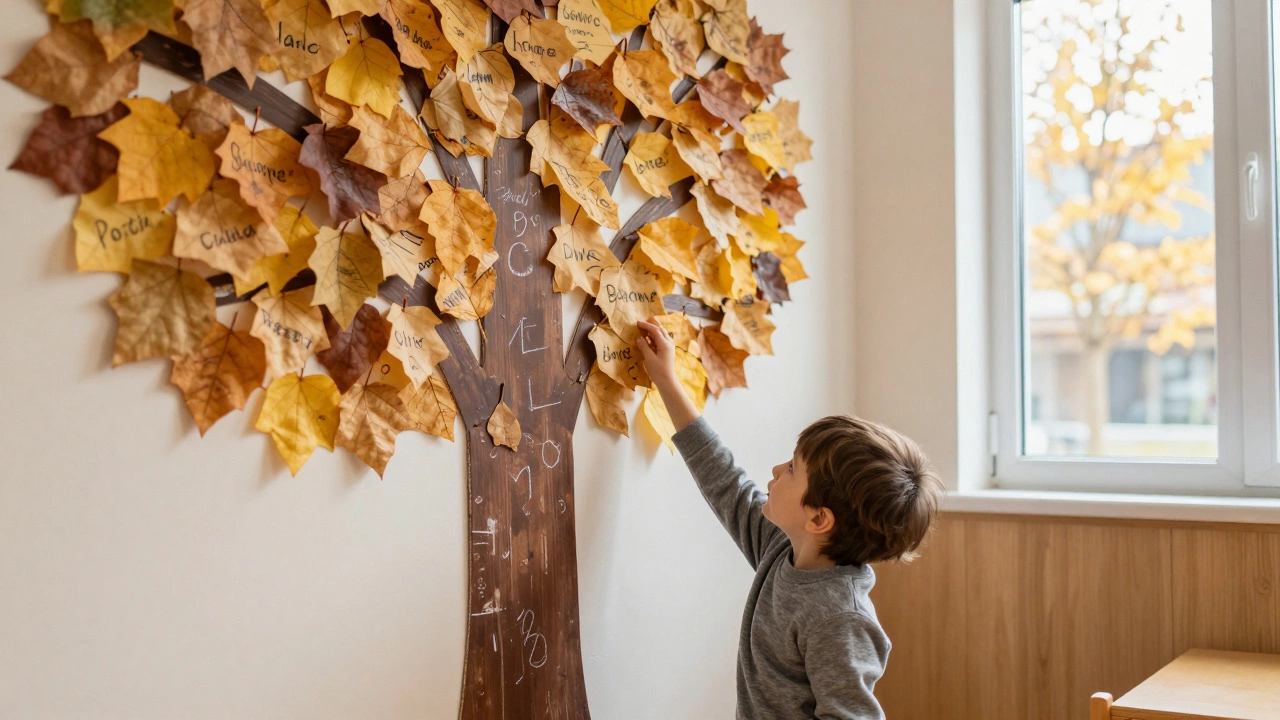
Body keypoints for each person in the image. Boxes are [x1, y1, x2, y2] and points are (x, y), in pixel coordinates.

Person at [634, 318, 944, 720]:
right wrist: (667, 380)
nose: (778, 469)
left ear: (818, 519)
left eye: (793, 469)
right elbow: (721, 477)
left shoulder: (839, 618)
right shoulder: (782, 548)